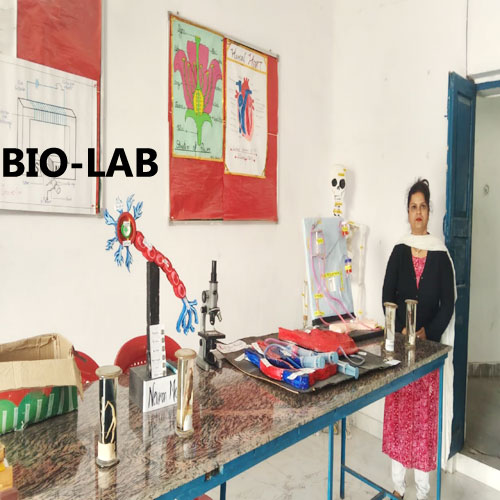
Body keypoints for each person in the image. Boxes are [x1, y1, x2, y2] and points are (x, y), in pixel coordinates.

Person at [382, 179, 455, 500]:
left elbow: (448, 303)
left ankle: (423, 491)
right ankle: (398, 487)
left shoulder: (440, 254)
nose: (418, 212)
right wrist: (400, 328)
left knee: (424, 422)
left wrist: (429, 332)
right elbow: (387, 294)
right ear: (408, 212)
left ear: (429, 211)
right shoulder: (399, 251)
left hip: (428, 351)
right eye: (413, 206)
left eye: (423, 206)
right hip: (401, 350)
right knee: (401, 418)